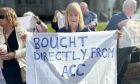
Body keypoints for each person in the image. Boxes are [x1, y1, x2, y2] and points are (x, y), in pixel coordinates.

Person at [105, 0, 137, 84]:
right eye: (134, 7)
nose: (135, 10)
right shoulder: (116, 17)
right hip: (120, 52)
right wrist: (118, 26)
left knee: (122, 74)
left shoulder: (132, 18)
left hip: (128, 51)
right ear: (127, 7)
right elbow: (107, 31)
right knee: (116, 74)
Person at [0, 7, 26, 84]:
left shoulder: (21, 31)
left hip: (21, 67)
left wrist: (15, 54)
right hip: (6, 68)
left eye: (1, 17)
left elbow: (29, 49)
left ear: (10, 17)